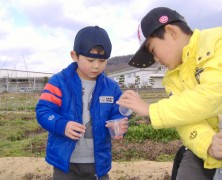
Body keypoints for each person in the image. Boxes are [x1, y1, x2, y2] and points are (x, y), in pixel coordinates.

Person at [116, 7, 222, 180]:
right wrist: (209, 146)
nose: (156, 59)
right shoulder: (172, 79)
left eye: (153, 50)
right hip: (205, 146)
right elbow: (186, 123)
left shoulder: (216, 41)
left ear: (172, 32)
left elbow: (214, 94)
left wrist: (151, 110)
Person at [36, 25, 128, 180]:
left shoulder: (111, 87)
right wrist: (62, 125)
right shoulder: (59, 82)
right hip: (65, 164)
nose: (96, 66)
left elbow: (118, 112)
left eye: (102, 60)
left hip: (98, 162)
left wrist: (118, 123)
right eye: (90, 60)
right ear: (74, 55)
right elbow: (44, 111)